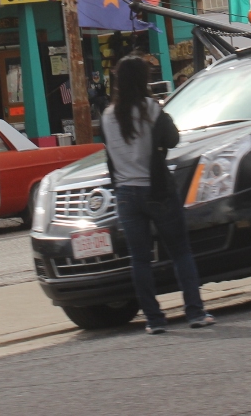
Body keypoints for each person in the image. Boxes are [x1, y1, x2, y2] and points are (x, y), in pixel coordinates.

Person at [101, 56, 214, 334]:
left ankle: (154, 319)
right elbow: (173, 139)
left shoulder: (107, 116)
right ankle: (195, 313)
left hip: (126, 195)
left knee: (140, 259)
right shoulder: (152, 108)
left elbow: (110, 158)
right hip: (157, 190)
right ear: (143, 80)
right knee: (180, 252)